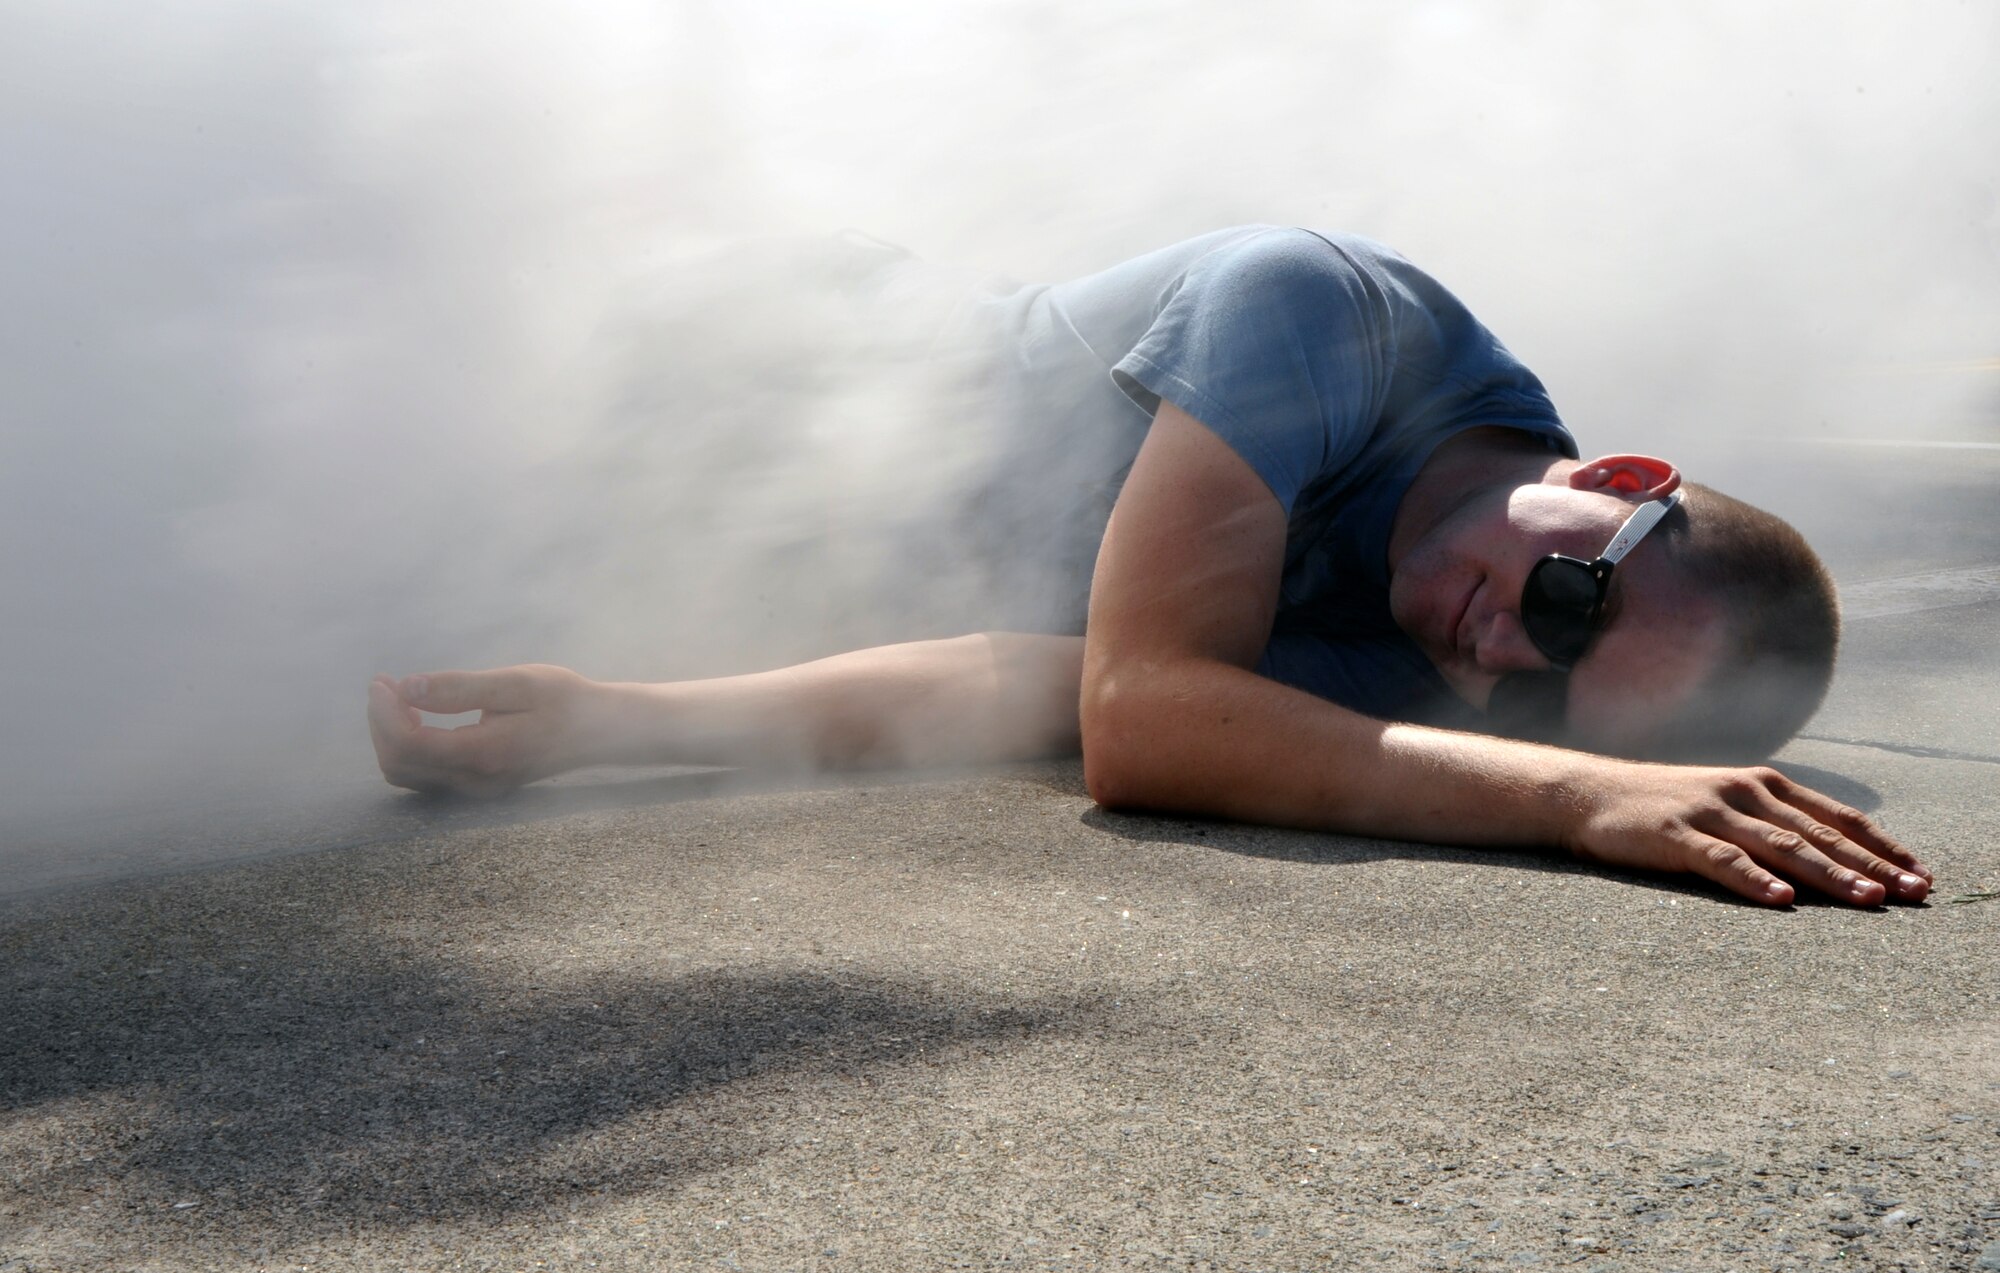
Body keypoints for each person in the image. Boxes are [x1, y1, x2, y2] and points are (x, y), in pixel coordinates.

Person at [368, 225, 1931, 910]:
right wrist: (1578, 800)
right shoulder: (1326, 311)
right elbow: (1142, 713)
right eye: (1573, 599)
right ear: (1618, 483)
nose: (1505, 656)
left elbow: (1034, 685)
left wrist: (611, 719)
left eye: (1555, 712)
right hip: (715, 362)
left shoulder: (1440, 667)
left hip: (700, 524)